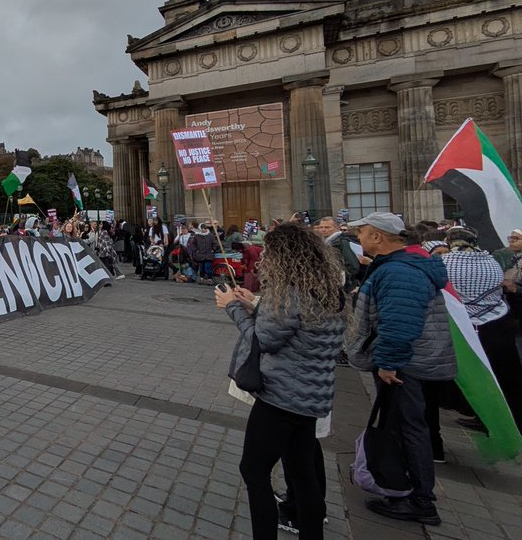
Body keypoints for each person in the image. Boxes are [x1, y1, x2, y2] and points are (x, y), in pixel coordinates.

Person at [215, 222, 346, 540]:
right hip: (312, 398)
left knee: (254, 471)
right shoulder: (328, 290)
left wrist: (232, 306)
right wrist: (256, 304)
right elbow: (295, 327)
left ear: (284, 257)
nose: (264, 260)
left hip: (280, 399)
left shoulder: (289, 293)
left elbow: (262, 340)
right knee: (302, 474)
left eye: (269, 253)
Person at [347, 212, 454, 526]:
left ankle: (420, 500)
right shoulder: (397, 266)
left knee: (409, 427)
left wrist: (389, 362)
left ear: (378, 236)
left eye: (363, 232)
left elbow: (400, 322)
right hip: (409, 360)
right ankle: (403, 486)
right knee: (402, 424)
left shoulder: (398, 272)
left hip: (404, 364)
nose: (360, 238)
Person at [441, 226, 522, 434]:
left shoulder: (446, 262)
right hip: (498, 322)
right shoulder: (490, 261)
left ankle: (484, 417)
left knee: (476, 373)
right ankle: (510, 417)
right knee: (505, 374)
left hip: (466, 326)